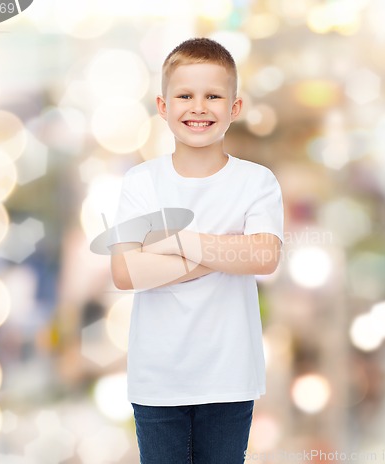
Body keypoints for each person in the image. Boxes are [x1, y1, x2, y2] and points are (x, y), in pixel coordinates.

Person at [109, 37, 284, 464]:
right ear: (163, 106)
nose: (199, 107)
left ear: (235, 108)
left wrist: (174, 243)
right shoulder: (142, 182)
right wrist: (225, 252)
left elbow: (262, 257)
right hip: (157, 378)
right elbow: (126, 272)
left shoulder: (256, 182)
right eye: (185, 95)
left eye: (213, 96)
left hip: (229, 376)